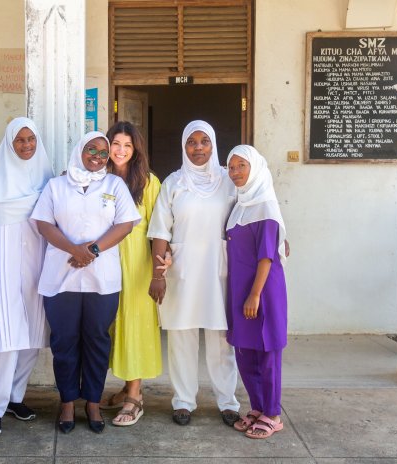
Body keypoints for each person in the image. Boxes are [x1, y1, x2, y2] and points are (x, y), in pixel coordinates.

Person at [31, 131, 141, 434]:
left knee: (96, 340)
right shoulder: (56, 186)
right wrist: (73, 250)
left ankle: (92, 401)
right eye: (91, 149)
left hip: (101, 279)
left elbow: (126, 224)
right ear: (80, 150)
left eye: (103, 153)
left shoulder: (114, 185)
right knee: (64, 341)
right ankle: (67, 401)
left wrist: (91, 250)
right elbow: (43, 223)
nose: (97, 156)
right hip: (61, 277)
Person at [148, 120, 241, 427]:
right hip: (182, 271)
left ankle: (227, 401)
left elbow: (255, 208)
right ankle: (183, 400)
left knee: (222, 338)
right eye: (192, 142)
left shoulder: (230, 180)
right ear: (184, 146)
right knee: (181, 337)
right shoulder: (173, 183)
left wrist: (279, 235)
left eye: (204, 142)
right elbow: (160, 230)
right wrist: (157, 275)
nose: (198, 148)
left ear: (213, 145)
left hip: (220, 269)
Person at [0, 117, 54, 436]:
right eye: (19, 140)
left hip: (38, 257)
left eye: (31, 139)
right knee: (5, 333)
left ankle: (14, 397)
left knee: (34, 334)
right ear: (9, 143)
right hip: (2, 259)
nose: (26, 145)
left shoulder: (48, 177)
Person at [99, 121, 164, 427]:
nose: (121, 151)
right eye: (116, 144)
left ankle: (135, 396)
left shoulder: (149, 182)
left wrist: (158, 269)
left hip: (138, 261)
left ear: (135, 149)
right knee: (111, 324)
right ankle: (126, 385)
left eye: (127, 145)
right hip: (105, 258)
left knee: (135, 325)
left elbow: (159, 228)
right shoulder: (100, 177)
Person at [225, 145, 288, 439]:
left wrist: (255, 295)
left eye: (241, 166)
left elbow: (267, 257)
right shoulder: (240, 205)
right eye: (231, 167)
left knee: (267, 354)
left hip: (262, 291)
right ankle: (258, 407)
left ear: (256, 169)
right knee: (245, 352)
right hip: (240, 288)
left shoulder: (266, 207)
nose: (235, 172)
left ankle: (273, 414)